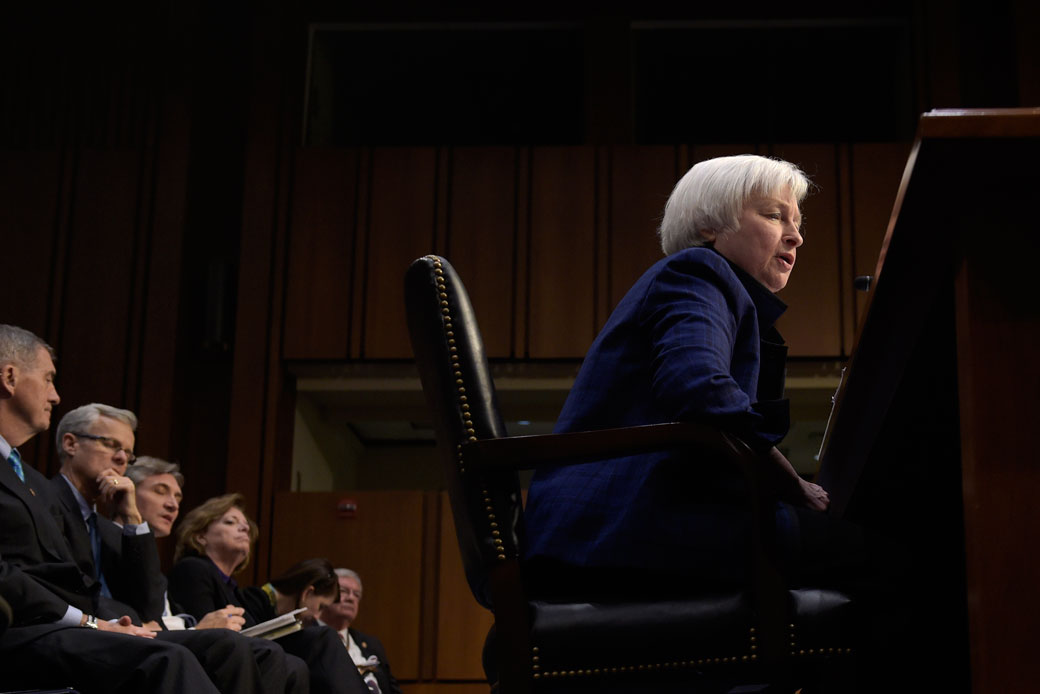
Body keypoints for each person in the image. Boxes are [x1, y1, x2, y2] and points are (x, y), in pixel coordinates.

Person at [523, 155, 841, 595]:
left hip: (634, 525)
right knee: (885, 554)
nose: (796, 236)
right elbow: (700, 389)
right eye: (773, 215)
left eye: (797, 221)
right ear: (709, 226)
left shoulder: (721, 290)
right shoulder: (698, 272)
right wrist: (792, 484)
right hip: (630, 526)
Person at [0, 323, 222, 693]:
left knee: (237, 651)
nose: (56, 396)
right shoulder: (48, 492)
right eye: (49, 379)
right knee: (168, 660)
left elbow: (141, 600)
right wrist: (90, 621)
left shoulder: (32, 482)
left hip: (68, 624)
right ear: (9, 377)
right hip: (21, 630)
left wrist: (133, 519)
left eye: (128, 453)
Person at [169, 494, 374, 694]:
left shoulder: (232, 587)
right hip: (221, 663)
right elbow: (204, 632)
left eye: (245, 525)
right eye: (230, 522)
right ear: (200, 536)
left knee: (299, 661)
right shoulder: (193, 569)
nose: (245, 527)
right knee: (319, 638)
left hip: (251, 655)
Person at [319, 568, 401, 694]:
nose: (351, 598)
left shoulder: (372, 644)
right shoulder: (312, 641)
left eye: (356, 595)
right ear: (325, 596)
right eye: (343, 591)